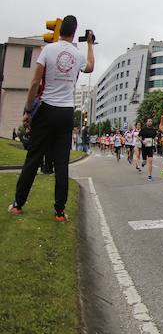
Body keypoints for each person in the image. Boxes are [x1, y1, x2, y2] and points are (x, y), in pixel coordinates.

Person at [8, 17, 94, 221]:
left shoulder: (48, 50)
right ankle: (59, 212)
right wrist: (90, 44)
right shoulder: (77, 55)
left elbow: (35, 82)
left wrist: (28, 110)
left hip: (47, 108)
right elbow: (90, 66)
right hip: (66, 112)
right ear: (74, 33)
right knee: (62, 162)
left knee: (34, 157)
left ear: (60, 30)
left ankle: (18, 204)